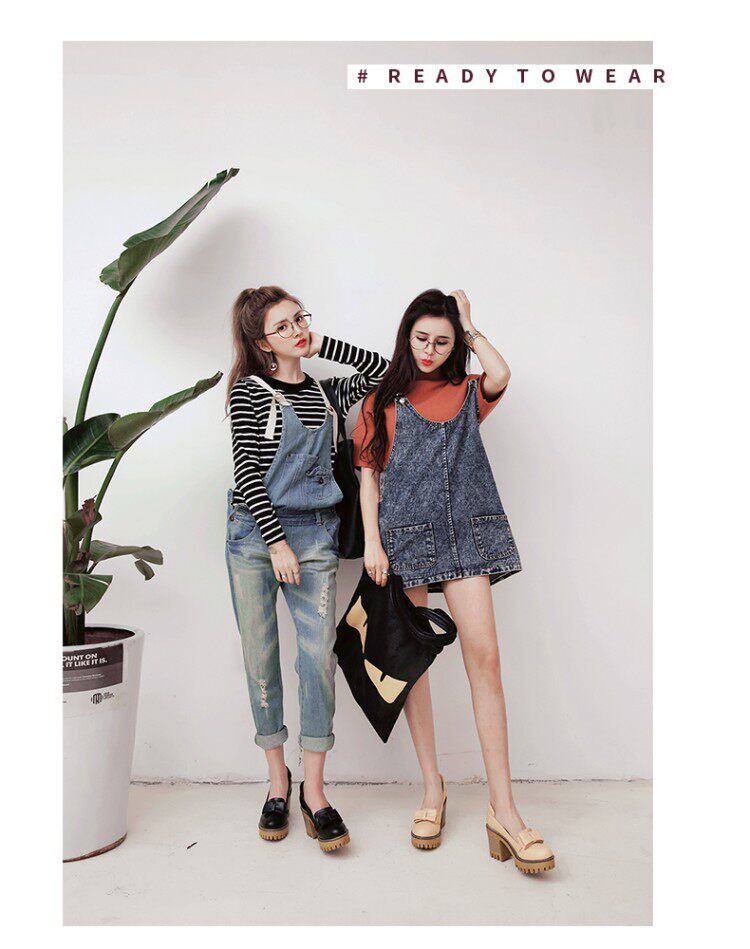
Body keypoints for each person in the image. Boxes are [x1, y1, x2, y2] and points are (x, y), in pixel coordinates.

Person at [352, 288, 555, 874]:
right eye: (422, 338)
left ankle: (504, 810)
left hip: (468, 533)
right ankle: (432, 789)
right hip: (404, 536)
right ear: (406, 336)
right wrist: (372, 544)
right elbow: (369, 477)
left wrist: (469, 325)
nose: (431, 350)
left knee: (484, 659)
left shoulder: (469, 391)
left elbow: (501, 373)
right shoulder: (379, 401)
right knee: (414, 665)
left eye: (443, 342)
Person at [226, 285, 388, 852]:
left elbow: (382, 371)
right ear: (261, 342)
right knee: (260, 656)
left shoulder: (326, 391)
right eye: (283, 326)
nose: (296, 330)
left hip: (316, 533)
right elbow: (247, 471)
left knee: (317, 658)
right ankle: (278, 780)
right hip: (256, 536)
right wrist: (276, 544)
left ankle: (314, 791)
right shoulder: (248, 393)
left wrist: (324, 345)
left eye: (300, 319)